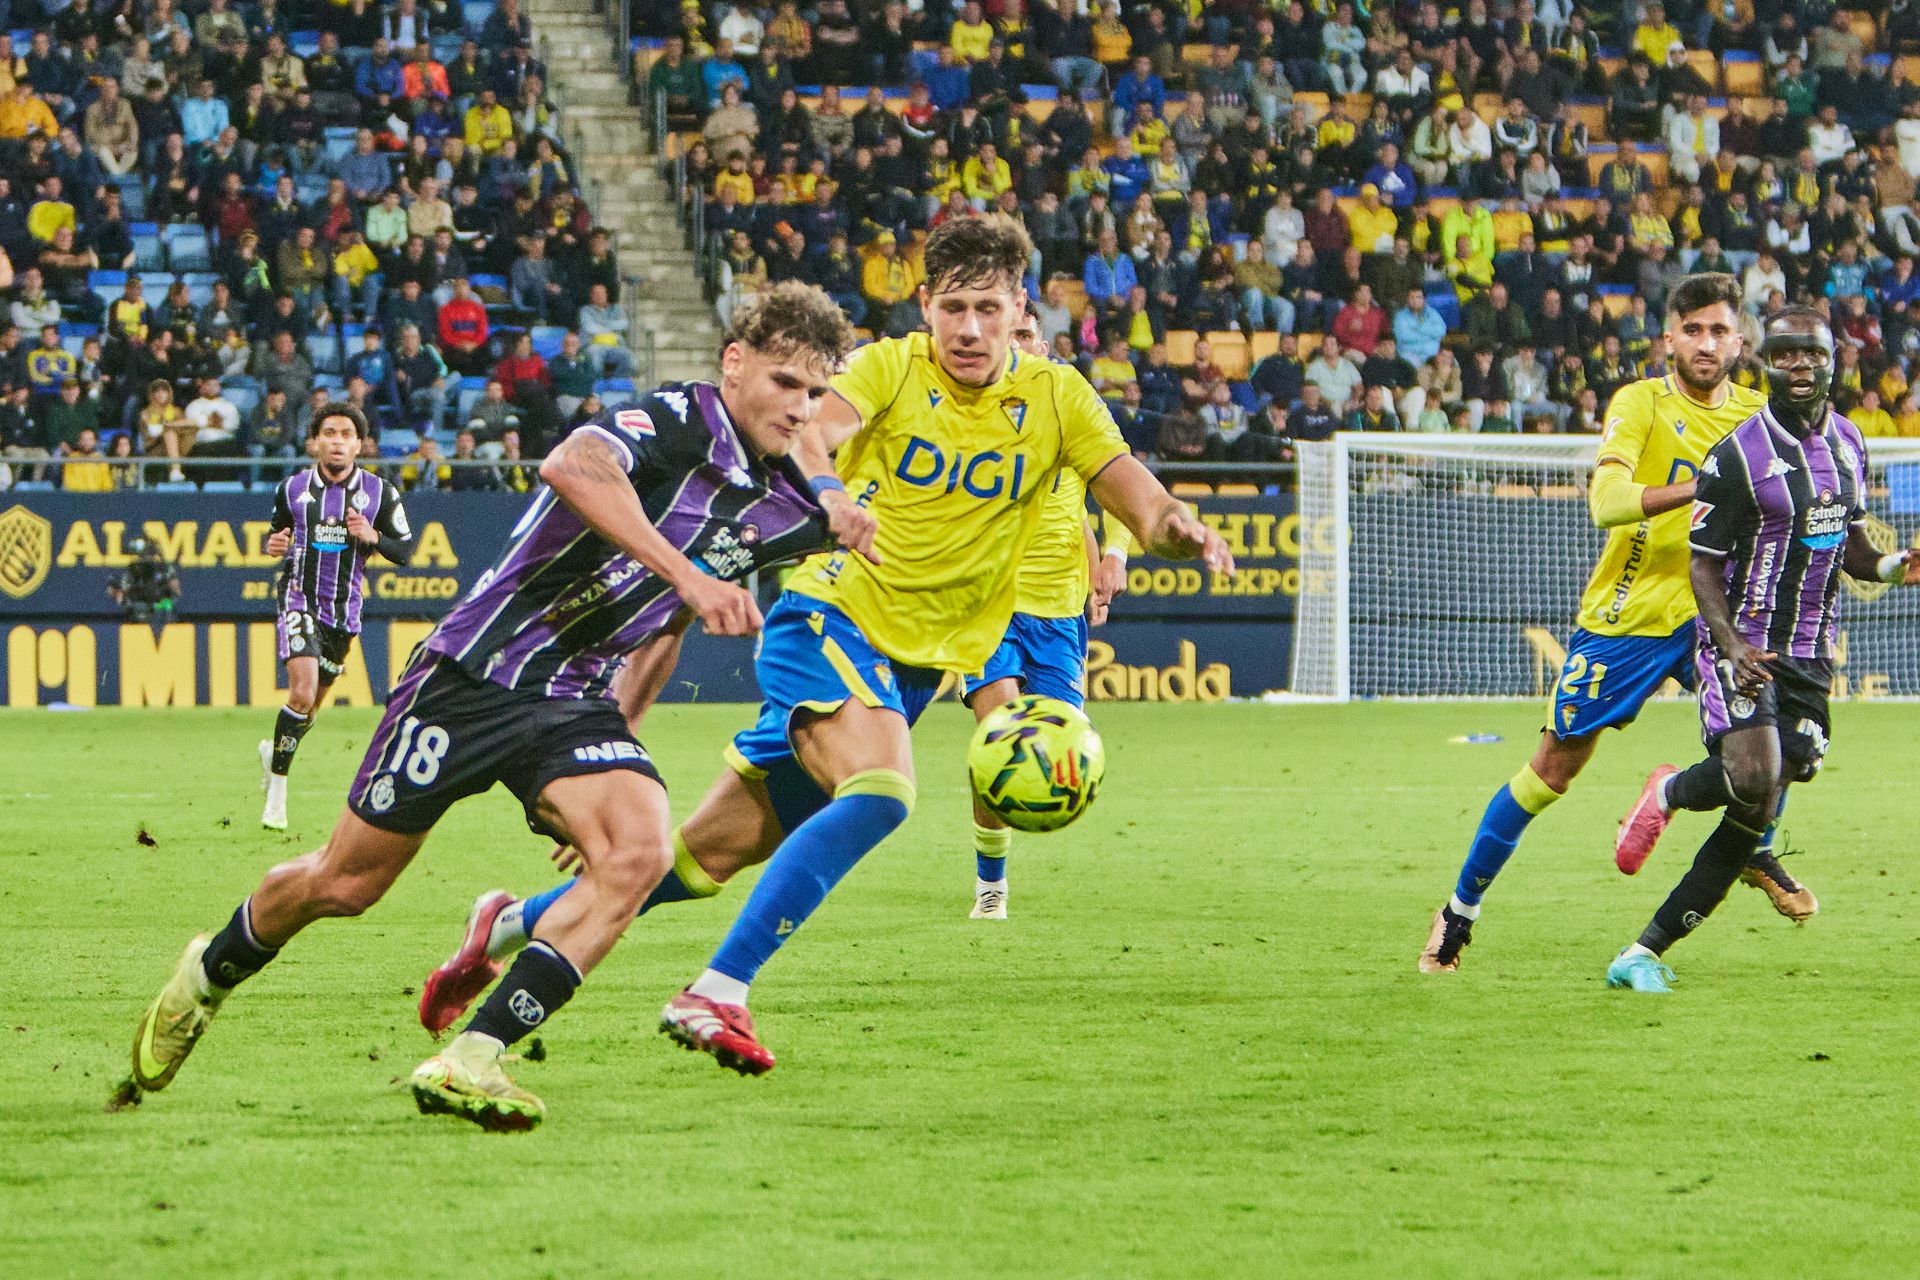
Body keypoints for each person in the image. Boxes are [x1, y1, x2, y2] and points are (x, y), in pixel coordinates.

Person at [420, 217, 1232, 1074]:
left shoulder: (1060, 398)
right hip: (828, 613)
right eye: (951, 307)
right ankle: (717, 992)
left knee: (701, 861)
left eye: (988, 308)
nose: (967, 329)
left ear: (1018, 308)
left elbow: (1140, 500)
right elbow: (814, 430)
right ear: (924, 305)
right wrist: (832, 494)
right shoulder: (888, 366)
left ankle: (504, 925)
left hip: (918, 663)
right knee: (883, 792)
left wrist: (1179, 530)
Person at [124, 283, 859, 1132]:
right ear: (734, 364)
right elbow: (571, 468)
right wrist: (689, 572)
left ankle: (473, 1057)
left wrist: (621, 735)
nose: (800, 409)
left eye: (814, 393)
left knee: (638, 851)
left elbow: (668, 626)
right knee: (347, 882)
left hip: (573, 701)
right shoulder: (675, 420)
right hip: (470, 677)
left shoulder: (782, 501)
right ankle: (206, 975)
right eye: (783, 383)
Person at [1419, 274, 1776, 974]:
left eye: (1720, 331)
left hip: (1717, 616)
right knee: (1555, 768)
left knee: (1769, 741)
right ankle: (1459, 910)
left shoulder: (1761, 416)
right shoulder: (1640, 402)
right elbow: (1608, 502)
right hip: (1630, 613)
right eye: (1693, 329)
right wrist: (1704, 488)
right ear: (1669, 335)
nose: (1707, 344)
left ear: (1739, 341)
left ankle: (1754, 849)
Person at [1605, 309, 1920, 993]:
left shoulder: (1849, 445)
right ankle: (1642, 952)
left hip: (1810, 651)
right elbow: (1702, 566)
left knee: (1785, 775)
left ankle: (1662, 822)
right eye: (1784, 354)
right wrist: (1730, 642)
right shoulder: (1737, 455)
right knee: (1753, 780)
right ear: (1765, 365)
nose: (1799, 365)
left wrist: (1898, 566)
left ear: (1835, 359)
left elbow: (1854, 552)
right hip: (1742, 642)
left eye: (1810, 353)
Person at [257, 406, 416, 832]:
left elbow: (404, 551)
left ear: (359, 444)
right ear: (315, 442)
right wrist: (273, 544)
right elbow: (277, 533)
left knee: (309, 712)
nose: (337, 440)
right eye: (329, 432)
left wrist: (374, 537)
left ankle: (274, 752)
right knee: (302, 694)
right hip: (298, 599)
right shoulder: (292, 489)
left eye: (346, 434)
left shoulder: (380, 493)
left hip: (344, 615)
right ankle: (276, 791)